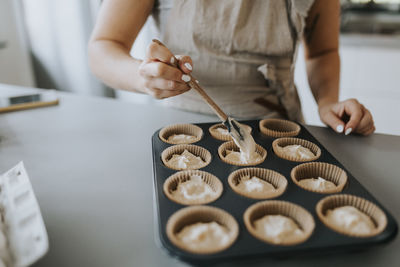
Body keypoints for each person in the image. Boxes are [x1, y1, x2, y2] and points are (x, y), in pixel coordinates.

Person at [88, 0, 375, 136]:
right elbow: (103, 47)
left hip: (280, 131)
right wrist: (144, 78)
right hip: (180, 131)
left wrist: (327, 102)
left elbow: (323, 51)